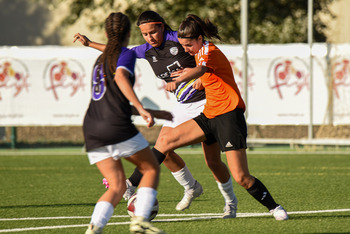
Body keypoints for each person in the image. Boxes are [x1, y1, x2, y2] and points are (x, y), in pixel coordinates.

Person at [74, 10, 238, 218]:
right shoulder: (146, 50)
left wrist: (202, 74)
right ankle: (191, 187)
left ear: (162, 26)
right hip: (183, 106)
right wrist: (90, 44)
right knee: (164, 149)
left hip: (206, 103)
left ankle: (230, 203)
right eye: (144, 34)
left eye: (153, 32)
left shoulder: (177, 38)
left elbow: (204, 52)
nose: (149, 38)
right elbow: (118, 52)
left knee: (213, 162)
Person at [156, 14, 289, 221]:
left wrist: (182, 78)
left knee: (242, 177)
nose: (185, 50)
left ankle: (274, 207)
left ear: (200, 39)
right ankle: (135, 187)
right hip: (209, 115)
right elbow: (202, 72)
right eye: (183, 46)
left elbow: (201, 68)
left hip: (228, 116)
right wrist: (198, 79)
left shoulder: (208, 50)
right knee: (165, 142)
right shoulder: (198, 52)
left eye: (189, 45)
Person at [82, 12, 167, 234]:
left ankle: (94, 227)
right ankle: (140, 221)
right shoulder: (125, 54)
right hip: (115, 125)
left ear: (105, 33)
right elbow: (120, 77)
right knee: (150, 169)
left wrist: (148, 111)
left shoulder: (99, 61)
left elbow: (109, 99)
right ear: (130, 33)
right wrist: (140, 108)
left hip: (92, 127)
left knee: (117, 185)